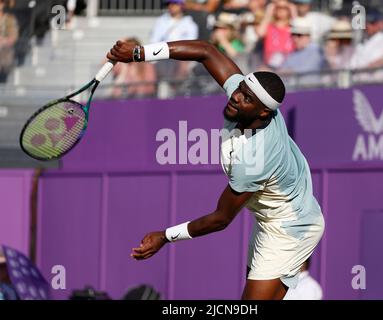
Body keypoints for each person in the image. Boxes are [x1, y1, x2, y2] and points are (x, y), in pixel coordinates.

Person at [107, 39, 325, 300]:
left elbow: (221, 219)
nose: (235, 96)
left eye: (246, 98)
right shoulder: (247, 101)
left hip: (291, 227)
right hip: (271, 218)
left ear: (264, 113)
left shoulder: (254, 159)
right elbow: (206, 50)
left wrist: (165, 237)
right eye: (240, 88)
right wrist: (139, 53)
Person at [0, 0, 18, 82]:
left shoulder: (9, 18)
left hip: (5, 49)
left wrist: (4, 40)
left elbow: (13, 37)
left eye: (1, 2)